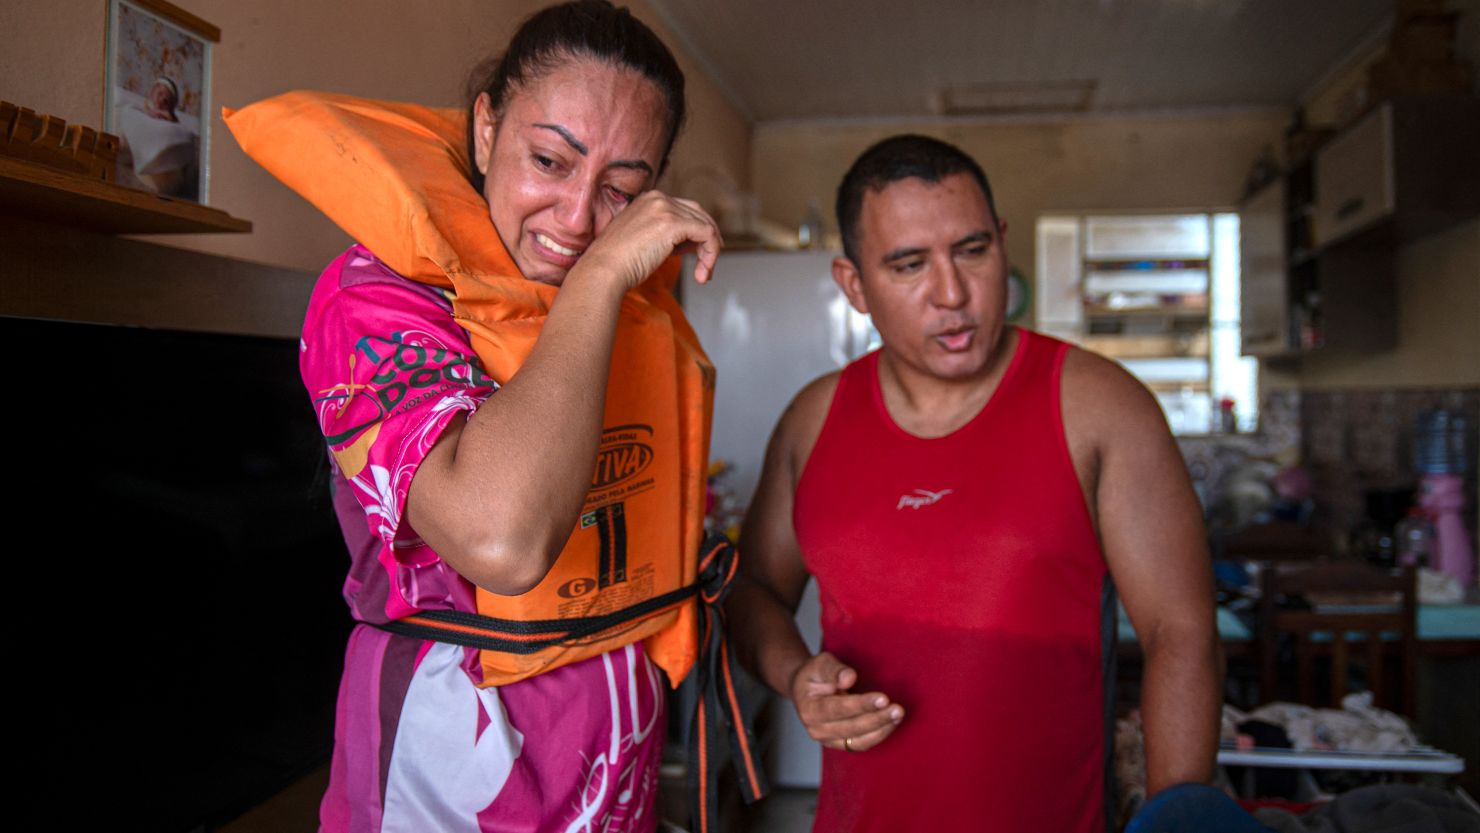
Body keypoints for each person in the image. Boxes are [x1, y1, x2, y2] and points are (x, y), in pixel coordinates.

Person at [295, 3, 727, 830]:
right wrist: (601, 276)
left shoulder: (639, 310)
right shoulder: (375, 300)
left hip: (615, 761)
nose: (575, 218)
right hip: (456, 768)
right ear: (487, 129)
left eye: (621, 190)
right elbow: (502, 538)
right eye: (549, 160)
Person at [726, 135, 1222, 832]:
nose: (953, 294)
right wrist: (795, 676)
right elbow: (753, 591)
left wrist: (1180, 821)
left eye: (972, 250)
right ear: (855, 285)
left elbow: (1182, 632)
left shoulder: (1099, 405)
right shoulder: (814, 420)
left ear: (1002, 242)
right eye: (908, 265)